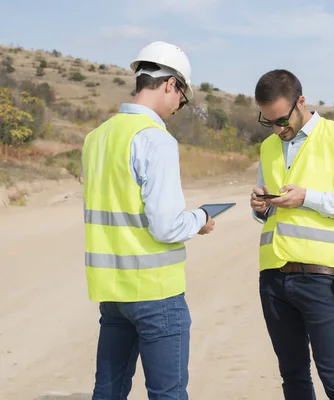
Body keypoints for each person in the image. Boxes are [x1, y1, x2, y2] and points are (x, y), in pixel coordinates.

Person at [81, 41, 215, 399]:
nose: (177, 107)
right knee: (167, 394)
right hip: (156, 292)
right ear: (171, 84)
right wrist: (200, 217)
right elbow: (166, 225)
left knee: (108, 390)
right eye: (181, 98)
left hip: (112, 292)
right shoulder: (155, 140)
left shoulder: (96, 138)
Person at [250, 69, 334, 400]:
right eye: (269, 122)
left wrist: (308, 197)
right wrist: (261, 207)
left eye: (281, 119)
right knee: (293, 378)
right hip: (274, 281)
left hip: (320, 281)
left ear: (301, 102)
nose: (278, 129)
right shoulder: (269, 147)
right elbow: (274, 210)